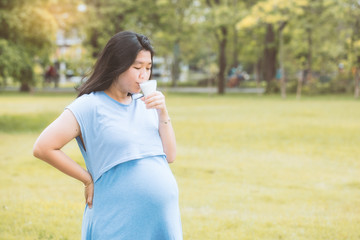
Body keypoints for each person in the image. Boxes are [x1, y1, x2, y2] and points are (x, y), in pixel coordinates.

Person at [33, 31, 182, 239]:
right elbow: (43, 147)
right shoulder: (89, 106)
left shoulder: (145, 104)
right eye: (137, 67)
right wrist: (86, 179)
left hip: (161, 221)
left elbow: (170, 155)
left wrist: (162, 112)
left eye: (148, 68)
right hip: (118, 219)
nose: (144, 75)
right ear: (116, 65)